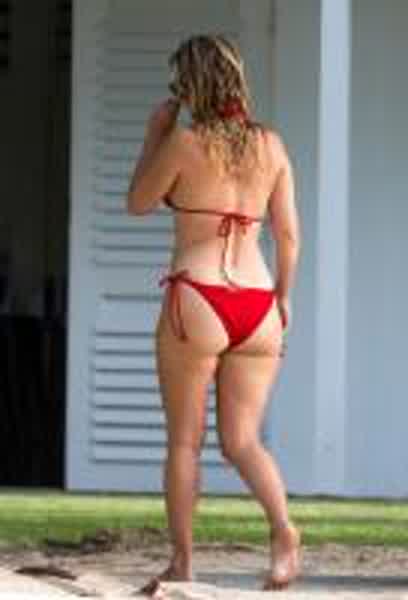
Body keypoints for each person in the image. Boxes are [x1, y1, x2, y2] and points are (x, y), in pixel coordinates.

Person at [127, 34, 301, 594]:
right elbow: (289, 236)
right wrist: (284, 297)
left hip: (198, 297)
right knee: (243, 441)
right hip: (258, 302)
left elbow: (138, 202)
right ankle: (284, 533)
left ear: (189, 87)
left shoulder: (182, 143)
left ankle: (182, 563)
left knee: (184, 442)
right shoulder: (271, 145)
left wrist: (154, 136)